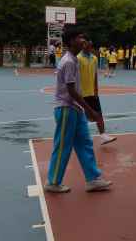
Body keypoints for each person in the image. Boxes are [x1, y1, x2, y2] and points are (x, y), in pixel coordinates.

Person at [44, 27, 112, 193]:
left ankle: (93, 179)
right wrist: (89, 109)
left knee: (85, 143)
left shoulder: (74, 59)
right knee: (63, 146)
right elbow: (71, 91)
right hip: (66, 108)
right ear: (71, 41)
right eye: (80, 38)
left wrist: (84, 108)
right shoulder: (68, 61)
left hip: (76, 108)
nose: (84, 40)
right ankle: (53, 182)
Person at [78, 40, 110, 140]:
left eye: (90, 46)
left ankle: (103, 135)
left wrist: (96, 90)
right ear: (83, 46)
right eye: (87, 45)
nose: (89, 47)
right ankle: (79, 136)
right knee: (82, 116)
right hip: (81, 93)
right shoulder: (78, 58)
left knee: (98, 114)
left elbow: (95, 75)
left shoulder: (94, 58)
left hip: (92, 92)